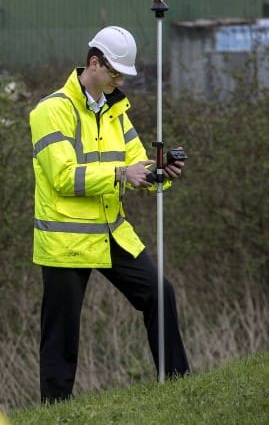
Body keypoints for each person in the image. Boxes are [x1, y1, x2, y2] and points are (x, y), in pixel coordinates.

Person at [29, 25, 190, 403]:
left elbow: (138, 166)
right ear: (94, 62)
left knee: (159, 293)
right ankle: (55, 411)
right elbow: (63, 176)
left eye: (123, 76)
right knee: (61, 334)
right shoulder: (51, 111)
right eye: (116, 73)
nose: (121, 81)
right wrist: (121, 174)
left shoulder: (116, 112)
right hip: (66, 241)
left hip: (110, 231)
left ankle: (182, 384)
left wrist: (159, 174)